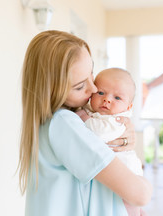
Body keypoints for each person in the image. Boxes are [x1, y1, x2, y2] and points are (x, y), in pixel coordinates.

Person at [18, 30, 152, 216]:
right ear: (51, 90)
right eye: (80, 86)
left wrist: (121, 137)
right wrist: (144, 184)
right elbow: (141, 194)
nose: (94, 88)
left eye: (91, 73)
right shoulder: (64, 123)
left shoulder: (53, 122)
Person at [76, 68, 144, 215]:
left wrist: (84, 117)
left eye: (117, 98)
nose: (107, 99)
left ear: (128, 106)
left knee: (129, 205)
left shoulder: (117, 120)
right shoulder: (96, 112)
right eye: (101, 93)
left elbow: (100, 133)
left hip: (128, 173)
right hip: (114, 173)